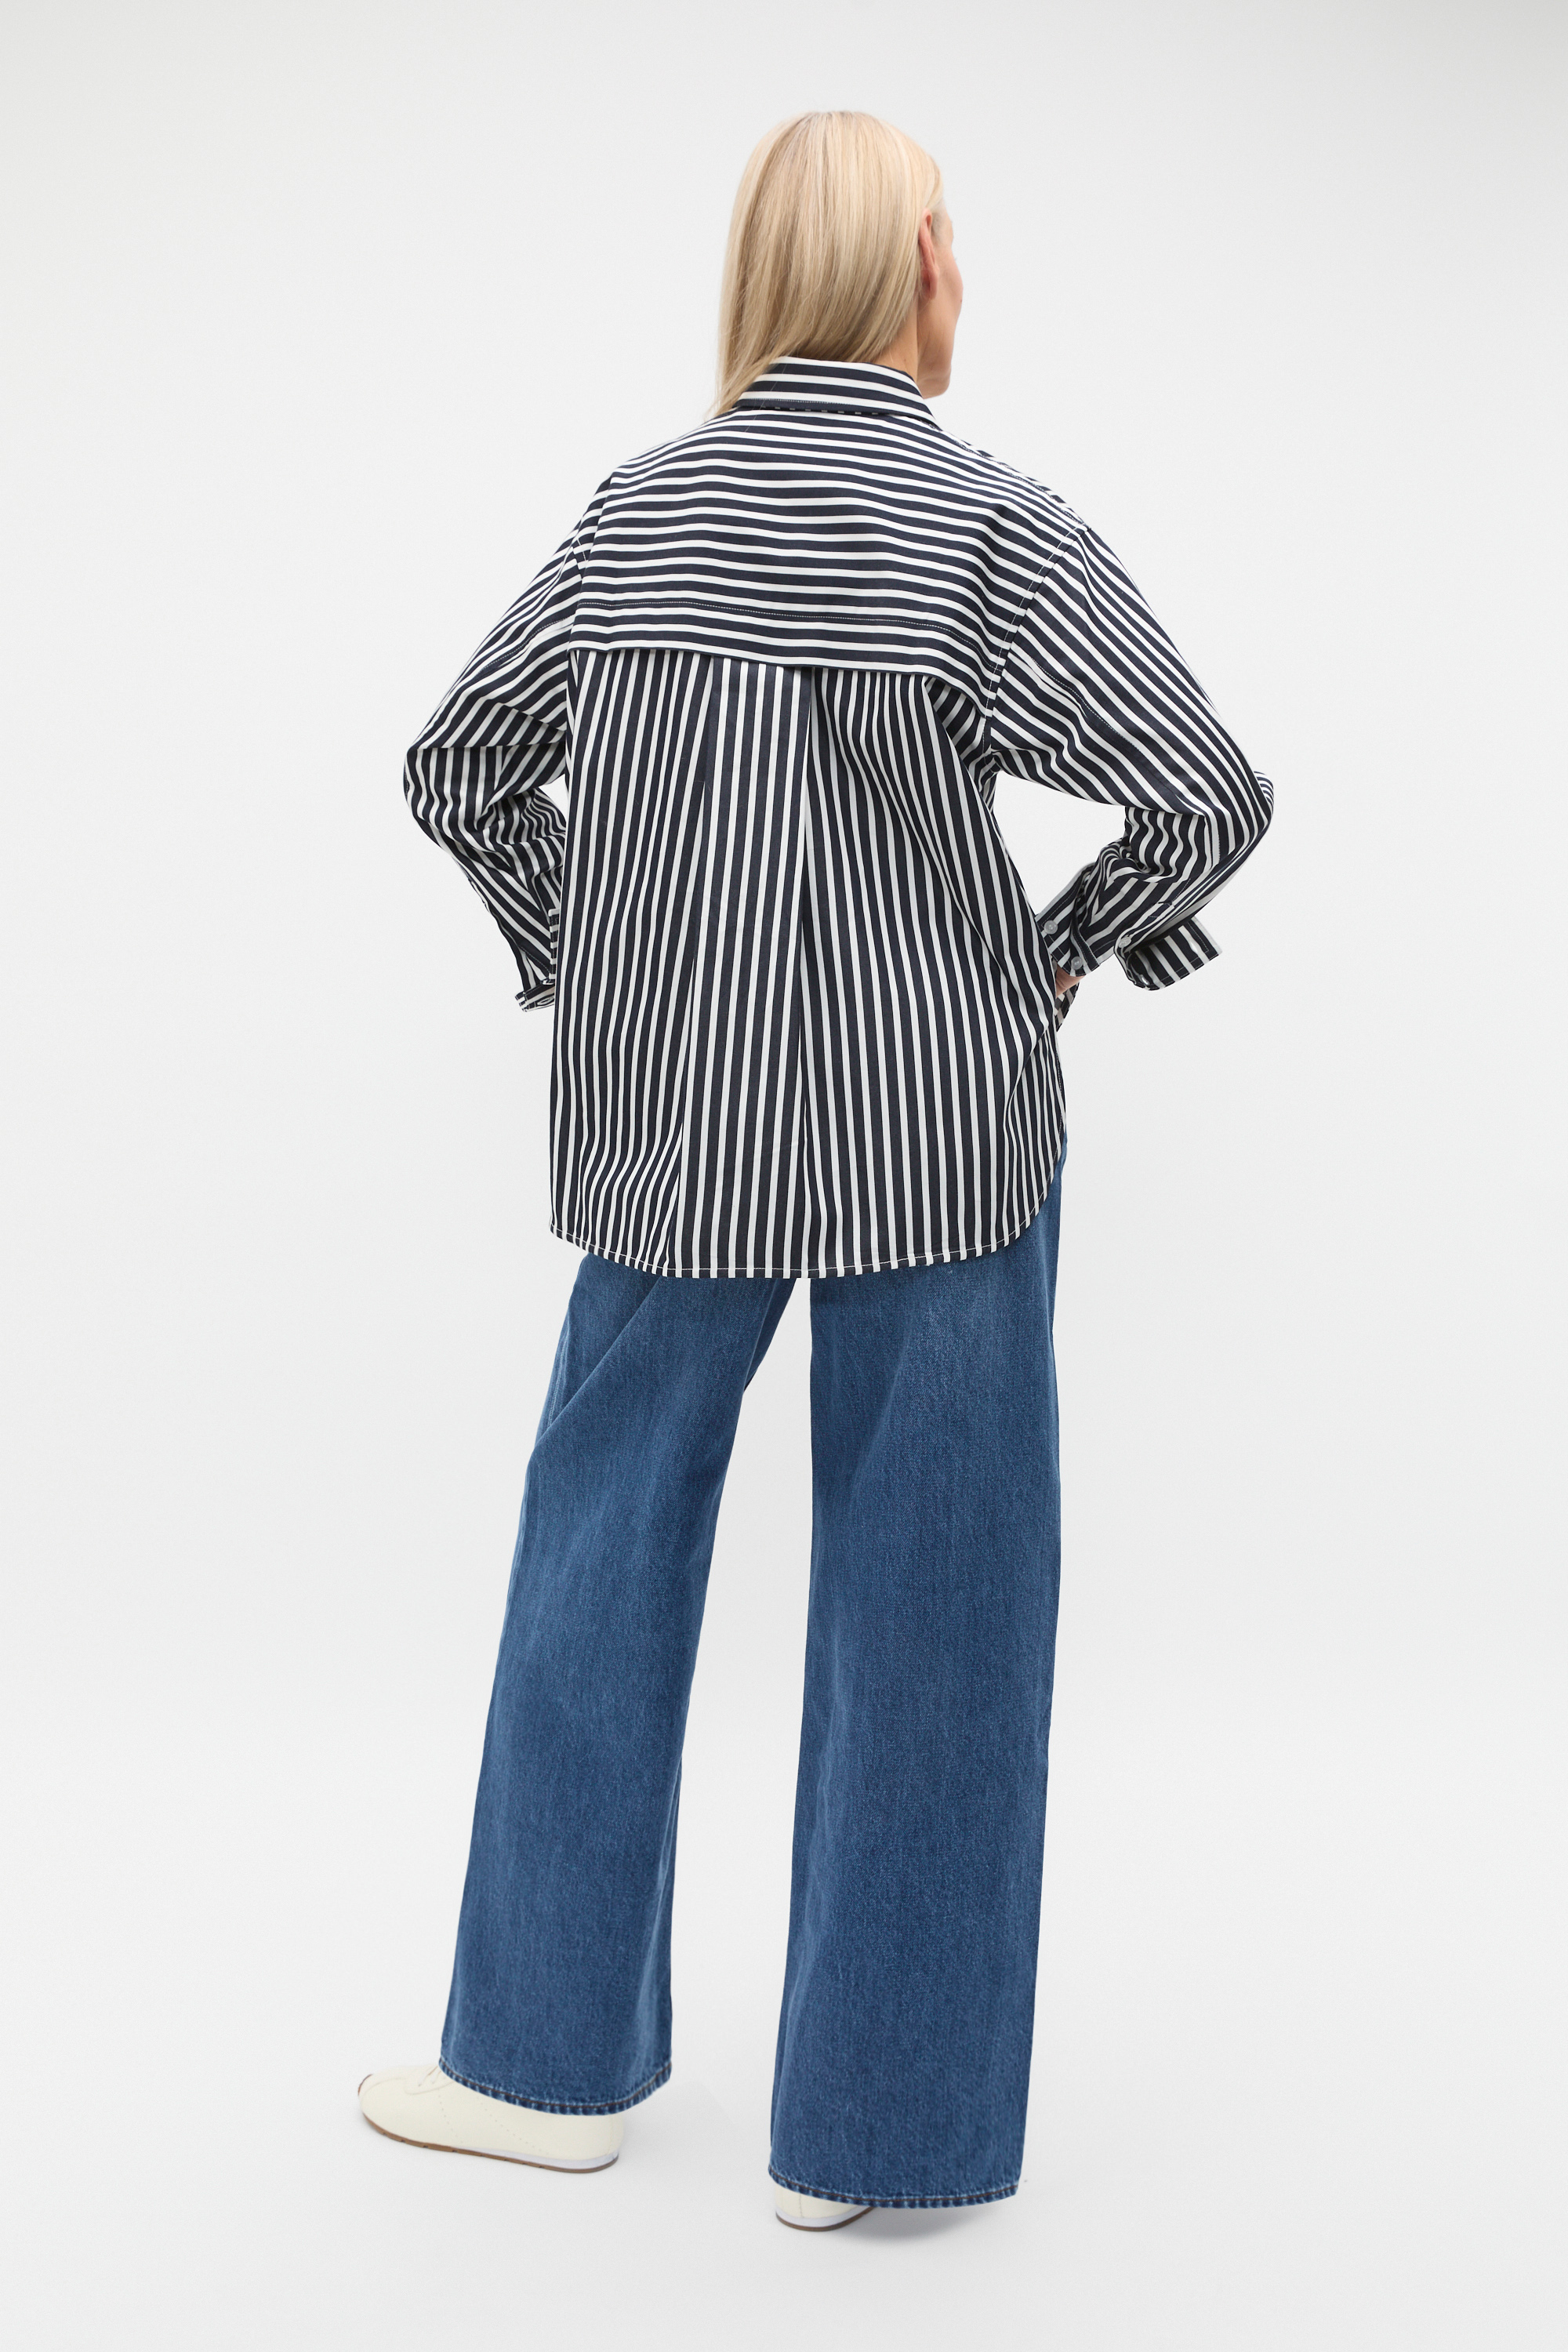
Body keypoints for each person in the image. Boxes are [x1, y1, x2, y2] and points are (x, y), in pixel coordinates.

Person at [359, 110, 1272, 2229]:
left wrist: (598, 955)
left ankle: (538, 2067)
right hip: (942, 1131)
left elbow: (458, 768)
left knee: (599, 1550)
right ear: (923, 262)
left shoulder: (637, 513)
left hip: (664, 1133)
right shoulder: (988, 526)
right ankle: (876, 2143)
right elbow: (1207, 793)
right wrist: (1058, 955)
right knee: (936, 1605)